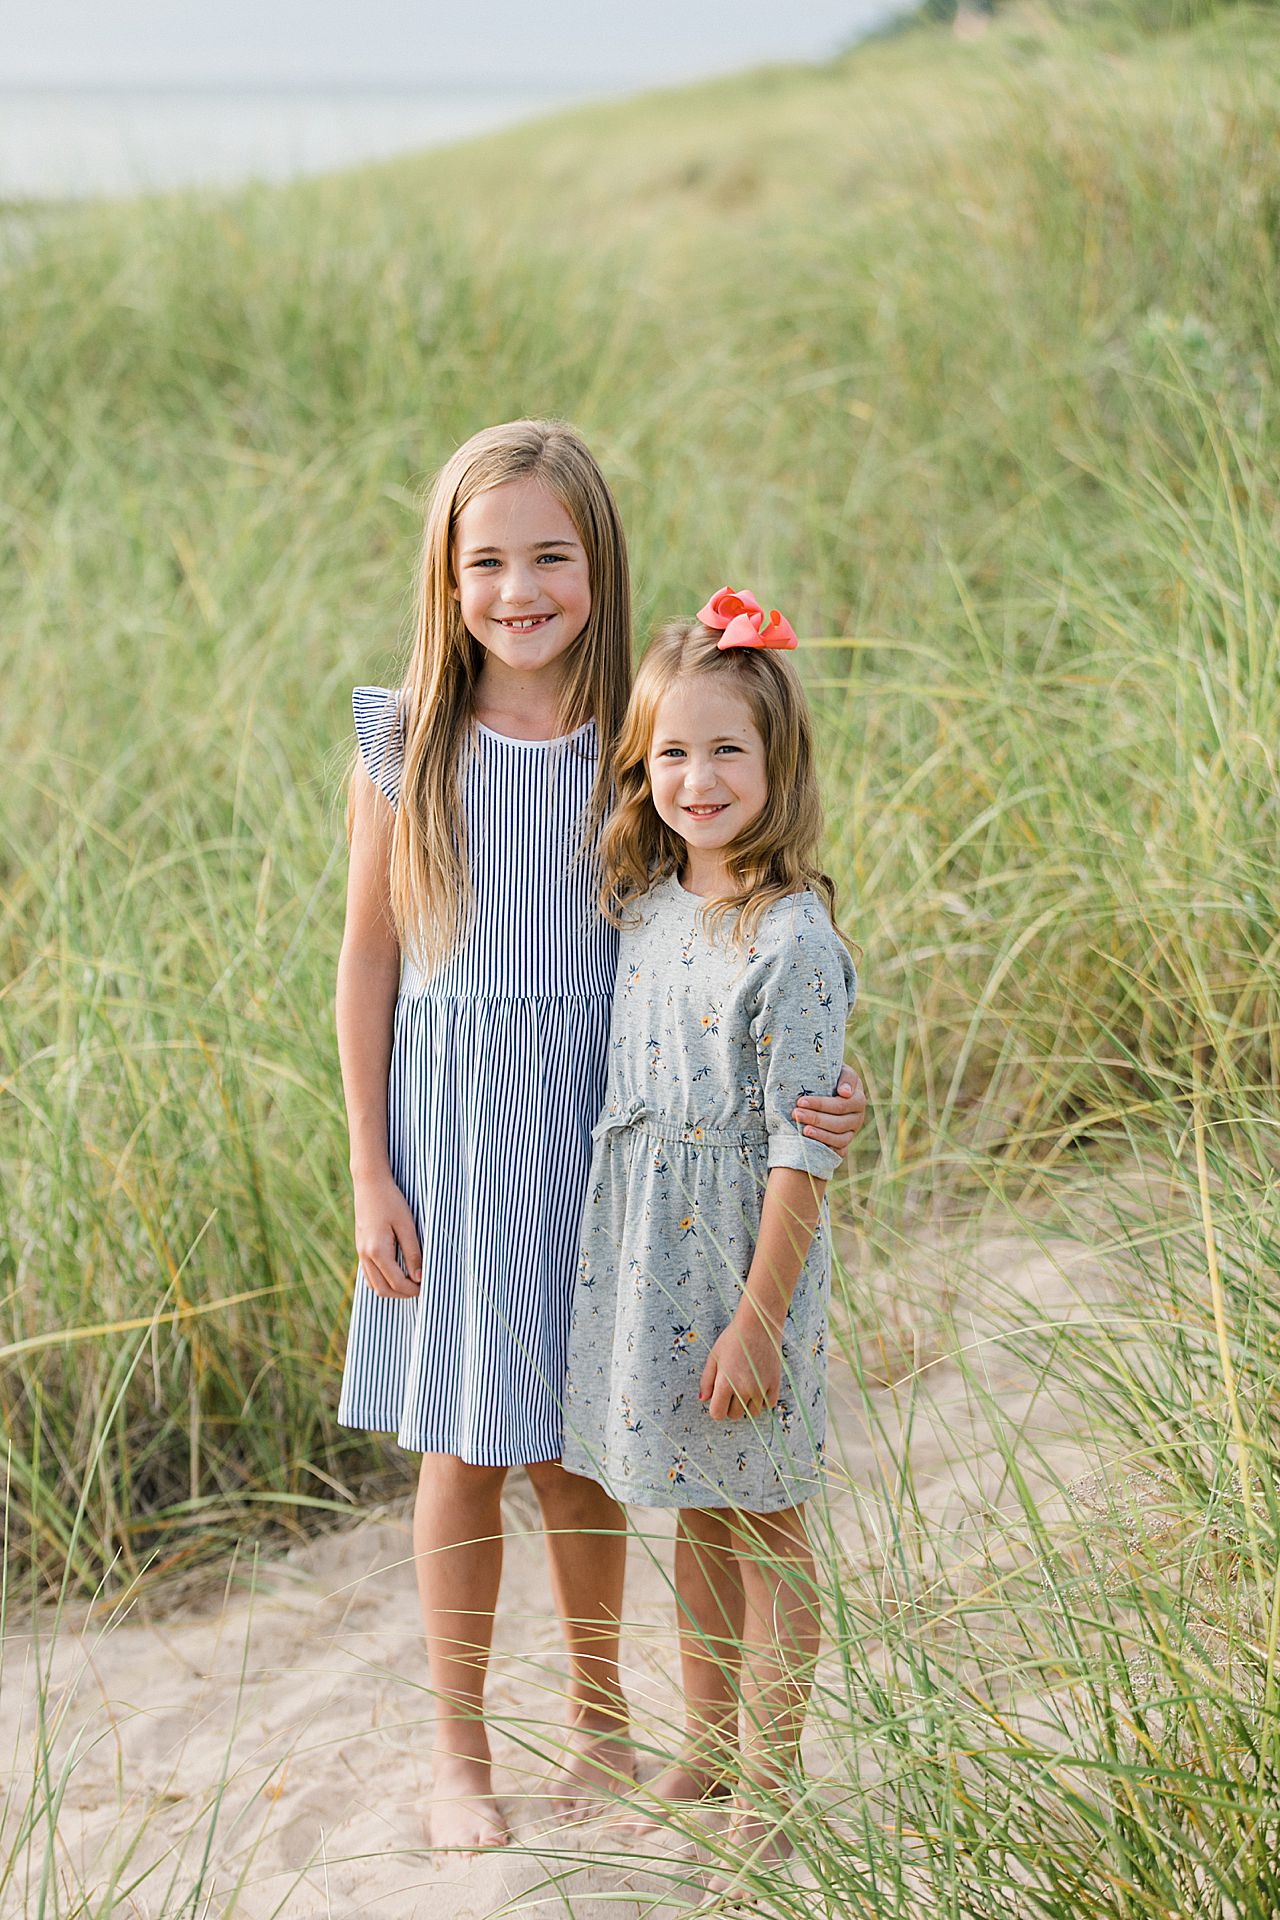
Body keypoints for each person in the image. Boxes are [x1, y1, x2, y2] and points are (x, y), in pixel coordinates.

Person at [334, 424, 867, 1852]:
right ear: (445, 577)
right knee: (465, 1445)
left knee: (584, 1444)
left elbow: (728, 920)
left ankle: (603, 1720)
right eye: (488, 558)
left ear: (599, 565)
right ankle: (459, 1758)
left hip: (614, 1110)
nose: (521, 586)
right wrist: (371, 1168)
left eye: (551, 555)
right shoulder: (406, 738)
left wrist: (815, 1085)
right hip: (458, 1121)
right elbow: (367, 964)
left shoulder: (639, 729)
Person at [561, 589, 857, 1895]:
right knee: (693, 1508)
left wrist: (757, 1317)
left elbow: (804, 1146)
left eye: (727, 749)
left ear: (776, 760)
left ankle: (775, 1781)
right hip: (651, 1257)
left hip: (746, 1261)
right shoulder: (646, 902)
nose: (698, 777)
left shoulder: (793, 937)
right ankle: (707, 1745)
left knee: (769, 1518)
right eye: (671, 753)